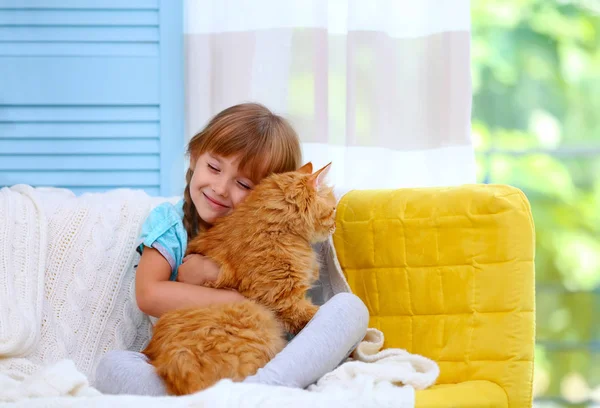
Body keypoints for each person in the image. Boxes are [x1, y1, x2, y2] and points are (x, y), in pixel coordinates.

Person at [94, 103, 369, 395]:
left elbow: (288, 309)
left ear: (272, 190)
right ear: (195, 157)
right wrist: (230, 295)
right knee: (113, 365)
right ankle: (246, 396)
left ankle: (261, 389)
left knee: (349, 308)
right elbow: (149, 294)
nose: (221, 188)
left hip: (266, 357)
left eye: (243, 183)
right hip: (190, 358)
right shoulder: (171, 223)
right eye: (213, 167)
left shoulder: (279, 233)